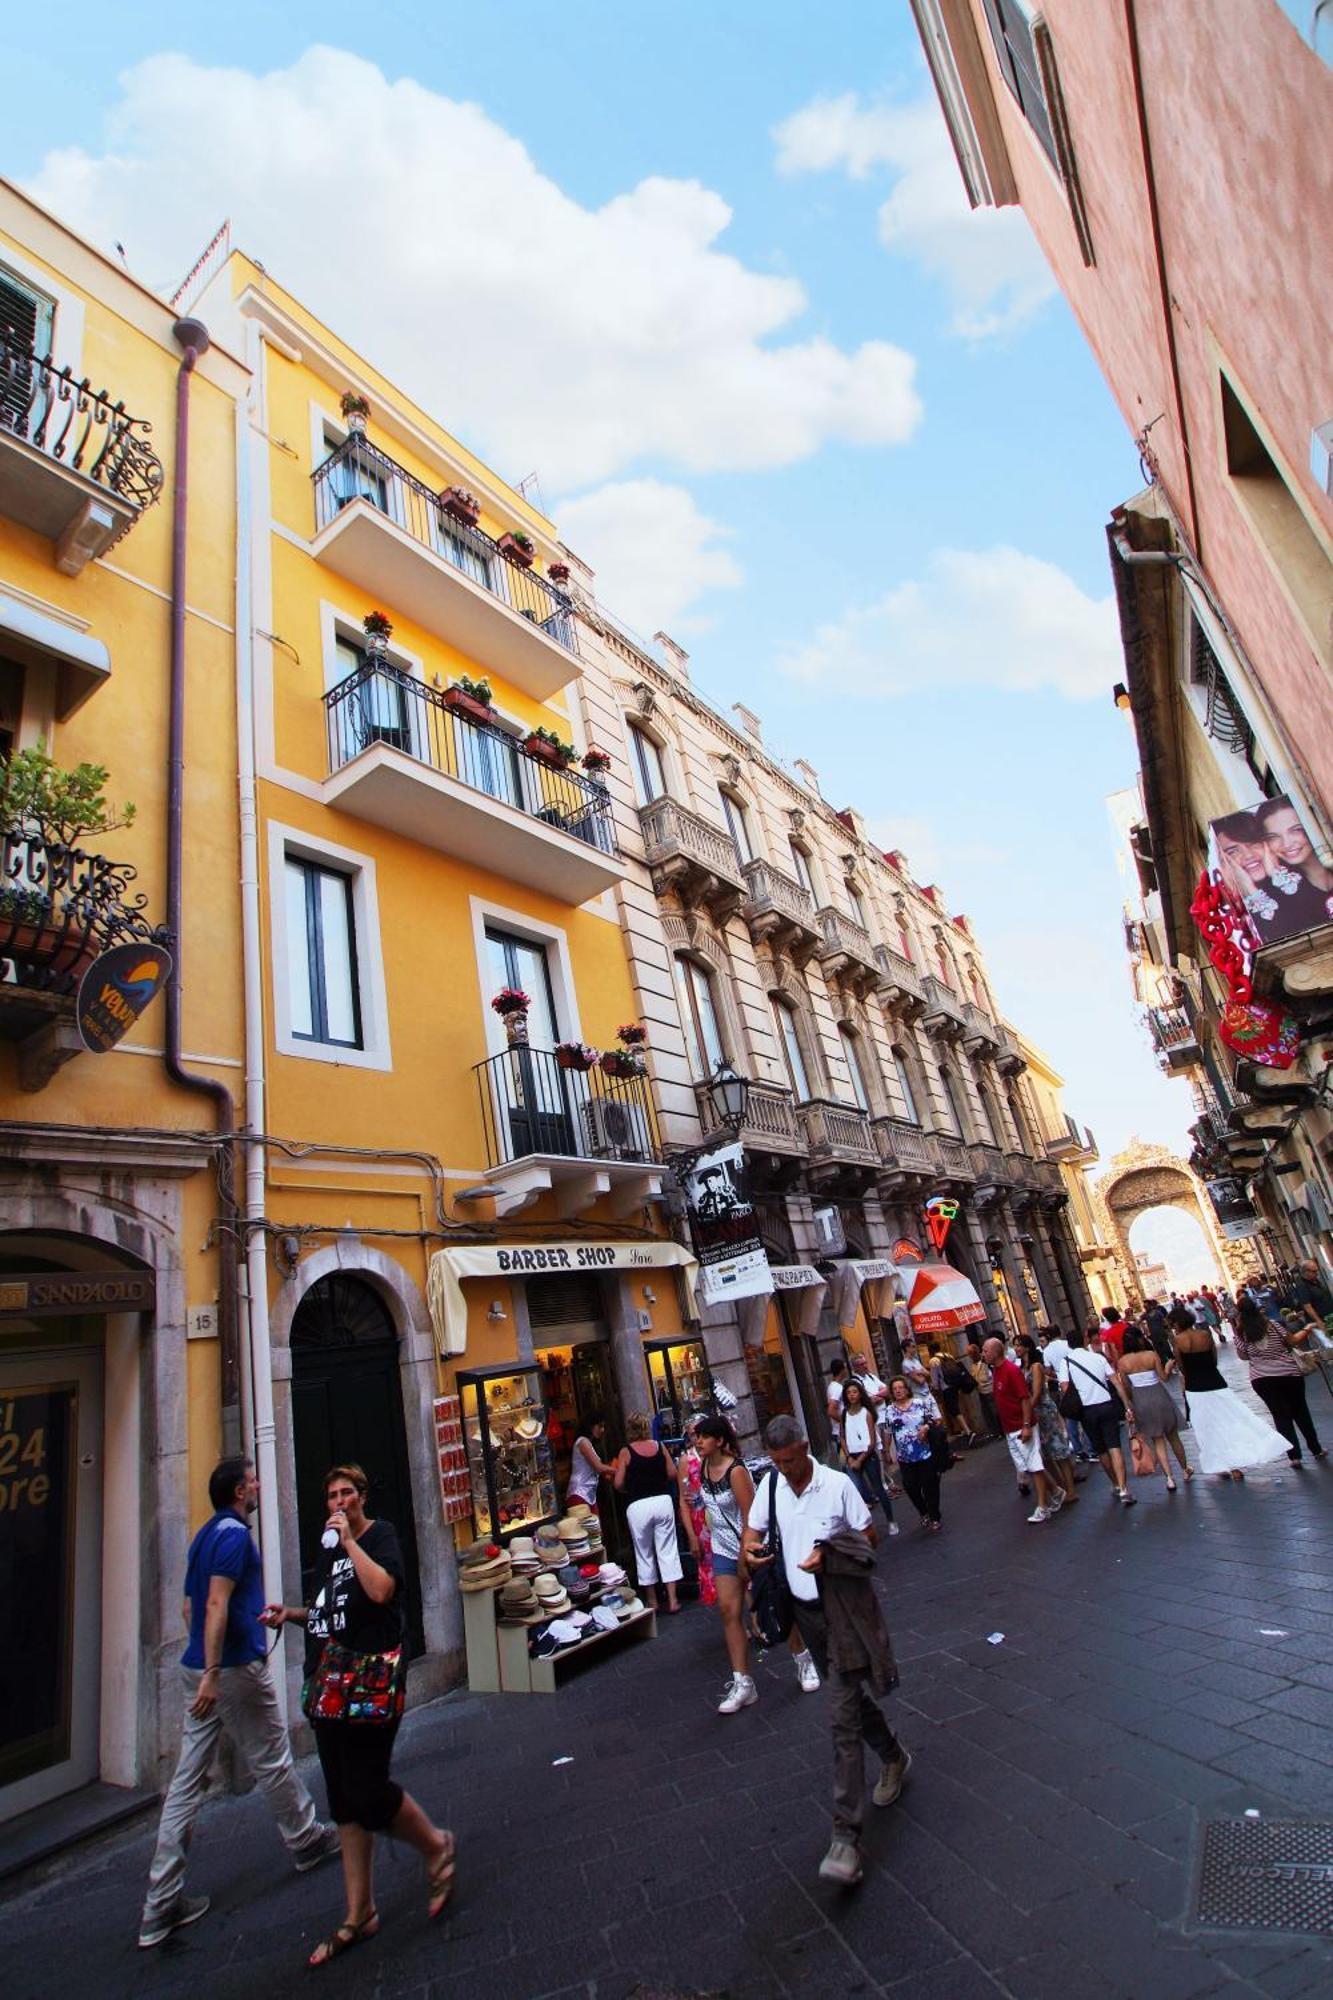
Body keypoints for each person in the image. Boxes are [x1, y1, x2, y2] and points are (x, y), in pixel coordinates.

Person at [138, 1456, 339, 1950]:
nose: (256, 1487)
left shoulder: (204, 1536)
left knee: (187, 1782)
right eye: (250, 1482)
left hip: (200, 1671)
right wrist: (215, 1670)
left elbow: (189, 1604)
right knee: (270, 1755)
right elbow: (213, 1605)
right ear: (235, 1491)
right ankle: (306, 1836)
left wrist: (204, 1664)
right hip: (228, 1673)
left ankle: (160, 1903)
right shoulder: (231, 1537)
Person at [263, 1463, 453, 1967]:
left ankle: (435, 1846)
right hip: (329, 1681)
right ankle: (359, 1911)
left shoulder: (380, 1535)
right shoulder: (327, 1553)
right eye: (331, 1496)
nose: (339, 1502)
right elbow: (330, 1610)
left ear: (362, 1496)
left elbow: (381, 1591)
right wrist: (293, 1614)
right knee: (344, 1801)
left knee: (369, 1790)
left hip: (372, 1678)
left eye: (347, 1493)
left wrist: (350, 1542)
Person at [744, 1416, 911, 1888]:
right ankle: (894, 1755)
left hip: (841, 1608)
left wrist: (828, 1552)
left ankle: (845, 1838)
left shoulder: (837, 1484)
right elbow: (751, 1533)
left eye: (790, 1460)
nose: (785, 1469)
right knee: (851, 1701)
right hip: (804, 1614)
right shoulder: (771, 1485)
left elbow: (869, 1539)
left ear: (804, 1446)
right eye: (777, 1462)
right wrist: (752, 1553)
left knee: (840, 1716)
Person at [685, 1413, 820, 1713]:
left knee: (772, 1604)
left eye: (704, 1436)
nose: (698, 1441)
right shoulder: (703, 1467)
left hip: (749, 1546)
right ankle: (742, 1681)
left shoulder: (736, 1471)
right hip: (721, 1547)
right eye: (697, 1437)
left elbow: (752, 1515)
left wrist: (747, 1552)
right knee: (728, 1610)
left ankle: (803, 1659)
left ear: (719, 1441)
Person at [1169, 1317, 1290, 1481]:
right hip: (1215, 1381)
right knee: (1229, 1421)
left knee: (1206, 1426)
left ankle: (1221, 1464)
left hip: (1195, 1386)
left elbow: (1182, 1366)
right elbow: (1214, 1359)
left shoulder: (1177, 1340)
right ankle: (1236, 1465)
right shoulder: (1204, 1334)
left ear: (1177, 1323)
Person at [1233, 1294, 1325, 1466]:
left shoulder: (1240, 1332)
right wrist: (1307, 1328)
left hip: (1262, 1379)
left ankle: (1294, 1456)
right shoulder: (1273, 1325)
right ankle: (1316, 1449)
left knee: (1280, 1417)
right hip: (1288, 1374)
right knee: (1301, 1412)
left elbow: (1243, 1356)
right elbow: (1293, 1340)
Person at [613, 1412, 688, 1612]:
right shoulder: (658, 1446)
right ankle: (673, 1600)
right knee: (668, 1550)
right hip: (662, 1501)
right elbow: (672, 1473)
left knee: (644, 1552)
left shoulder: (625, 1452)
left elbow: (618, 1482)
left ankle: (653, 1601)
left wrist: (630, 1488)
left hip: (638, 1505)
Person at [982, 1336, 1060, 1523]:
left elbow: (1024, 1398)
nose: (983, 1354)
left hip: (1021, 1426)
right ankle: (1056, 1492)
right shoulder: (997, 1371)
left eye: (985, 1350)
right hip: (1010, 1427)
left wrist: (1026, 1425)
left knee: (1033, 1465)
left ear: (996, 1352)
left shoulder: (1010, 1371)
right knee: (1028, 1466)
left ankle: (1043, 1506)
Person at [1062, 1328, 1137, 1506]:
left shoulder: (1066, 1363)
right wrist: (1127, 1405)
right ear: (1085, 1340)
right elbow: (1116, 1383)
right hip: (1106, 1405)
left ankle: (1116, 1484)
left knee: (1101, 1449)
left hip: (1086, 1410)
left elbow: (1065, 1389)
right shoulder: (1098, 1358)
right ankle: (1125, 1488)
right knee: (1114, 1446)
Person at [1116, 1329, 1192, 1489]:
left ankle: (1169, 1478)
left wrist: (1131, 1403)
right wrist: (1169, 1366)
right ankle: (1185, 1469)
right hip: (1159, 1396)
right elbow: (1163, 1377)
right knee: (1173, 1437)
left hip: (1140, 1400)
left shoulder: (1122, 1362)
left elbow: (1126, 1387)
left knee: (1158, 1441)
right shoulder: (1151, 1355)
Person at [1015, 1332, 1077, 1507]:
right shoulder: (1021, 1368)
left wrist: (1026, 1412)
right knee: (1046, 1455)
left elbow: (1036, 1393)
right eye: (1015, 1345)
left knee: (1058, 1450)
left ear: (1027, 1347)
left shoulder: (1035, 1366)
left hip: (1044, 1411)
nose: (1016, 1348)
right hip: (1034, 1413)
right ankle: (1062, 1487)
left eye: (1019, 1345)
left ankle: (1071, 1489)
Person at [881, 1375, 943, 1531]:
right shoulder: (889, 1410)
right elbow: (888, 1431)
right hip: (905, 1457)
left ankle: (935, 1516)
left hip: (924, 1453)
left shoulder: (918, 1403)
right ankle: (924, 1512)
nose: (898, 1391)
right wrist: (887, 1450)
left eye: (900, 1387)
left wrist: (926, 1428)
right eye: (895, 1389)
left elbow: (932, 1420)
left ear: (907, 1389)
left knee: (930, 1485)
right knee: (910, 1486)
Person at [839, 1377, 898, 1533]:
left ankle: (891, 1520)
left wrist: (860, 1460)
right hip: (852, 1456)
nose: (852, 1395)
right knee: (856, 1491)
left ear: (860, 1394)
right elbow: (842, 1436)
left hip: (868, 1455)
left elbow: (871, 1442)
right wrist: (849, 1457)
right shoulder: (844, 1413)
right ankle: (863, 1526)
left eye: (855, 1392)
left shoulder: (867, 1414)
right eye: (848, 1392)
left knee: (878, 1487)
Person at [676, 1416, 717, 1608]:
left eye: (702, 1433)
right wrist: (691, 1536)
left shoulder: (719, 1456)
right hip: (701, 1523)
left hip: (722, 1519)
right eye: (694, 1434)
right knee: (712, 1571)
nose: (698, 1439)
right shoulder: (688, 1460)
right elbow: (683, 1502)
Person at [567, 1410, 616, 1517]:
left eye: (603, 1427)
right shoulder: (583, 1442)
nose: (602, 1430)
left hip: (589, 1495)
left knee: (594, 1530)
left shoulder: (587, 1442)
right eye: (600, 1426)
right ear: (591, 1426)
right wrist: (618, 1470)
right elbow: (598, 1467)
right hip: (580, 1493)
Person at [965, 1341, 1000, 1438]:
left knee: (994, 1411)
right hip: (980, 1390)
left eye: (970, 1354)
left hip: (989, 1389)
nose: (970, 1356)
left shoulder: (985, 1361)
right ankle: (994, 1431)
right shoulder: (973, 1365)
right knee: (987, 1412)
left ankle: (999, 1430)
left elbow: (991, 1373)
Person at [1290, 1258, 1333, 1331]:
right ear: (1305, 1271)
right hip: (1322, 1321)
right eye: (1314, 1271)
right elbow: (1307, 1306)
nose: (1317, 1273)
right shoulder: (1301, 1285)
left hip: (1329, 1317)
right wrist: (1319, 1321)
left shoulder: (1314, 1280)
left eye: (1317, 1270)